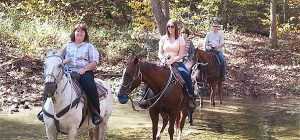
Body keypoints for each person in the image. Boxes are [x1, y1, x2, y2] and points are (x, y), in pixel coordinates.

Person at [38, 24, 102, 125]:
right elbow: (57, 61)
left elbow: (94, 63)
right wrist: (64, 61)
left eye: (82, 32)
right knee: (51, 82)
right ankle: (45, 110)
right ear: (74, 33)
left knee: (90, 86)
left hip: (84, 72)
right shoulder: (67, 46)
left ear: (85, 34)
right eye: (78, 31)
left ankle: (95, 113)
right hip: (68, 72)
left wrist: (84, 69)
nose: (80, 33)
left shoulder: (89, 46)